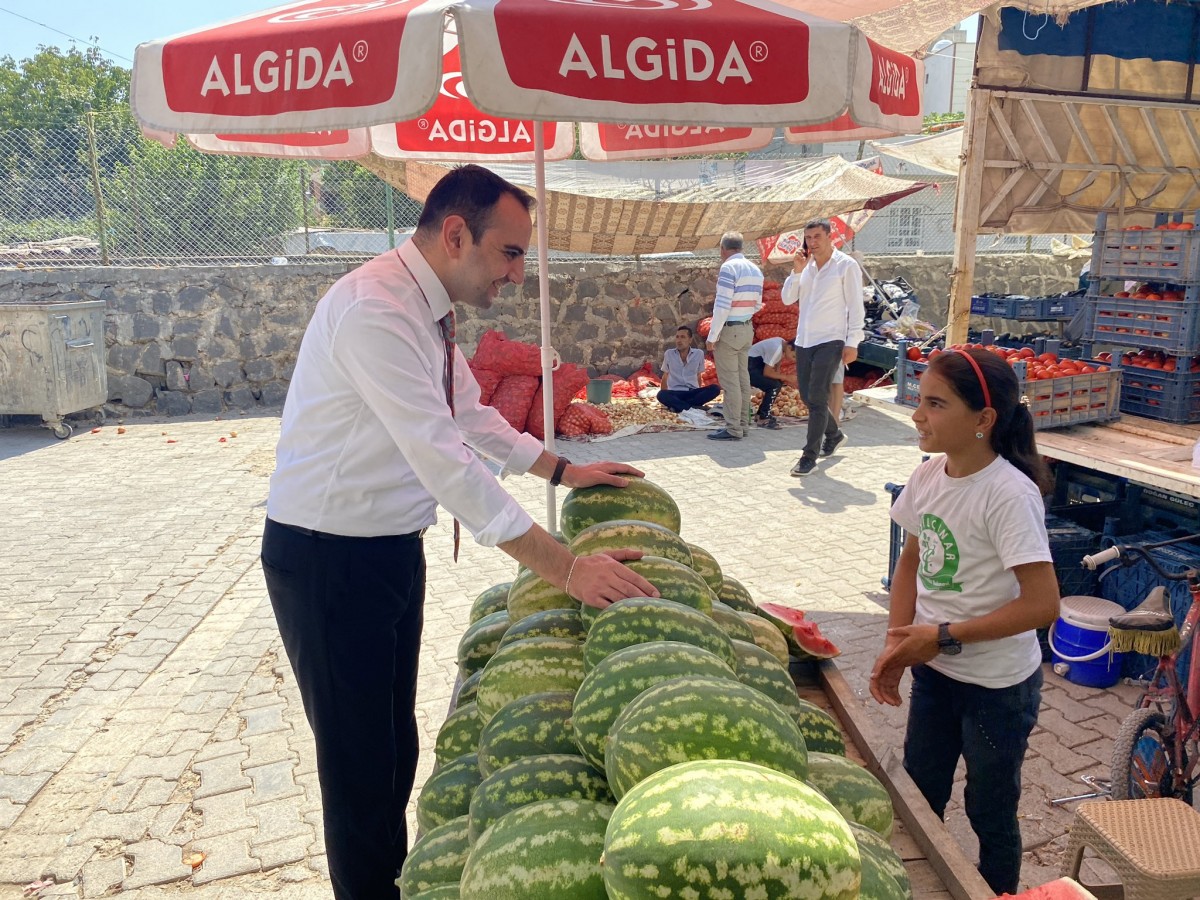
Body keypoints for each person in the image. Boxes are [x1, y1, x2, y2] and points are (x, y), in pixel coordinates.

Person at [260, 164, 658, 900]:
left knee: (390, 748)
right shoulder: (376, 311)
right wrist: (566, 568)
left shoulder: (424, 306)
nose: (517, 272)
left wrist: (561, 472)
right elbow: (445, 462)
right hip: (327, 562)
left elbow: (467, 415)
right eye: (510, 253)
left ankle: (394, 880)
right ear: (454, 234)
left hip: (382, 553)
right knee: (357, 768)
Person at [868, 348, 1060, 896]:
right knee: (919, 794)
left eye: (934, 403)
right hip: (936, 674)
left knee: (990, 810)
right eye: (919, 400)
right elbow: (910, 560)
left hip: (997, 688)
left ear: (983, 420)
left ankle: (997, 891)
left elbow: (1043, 604)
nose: (916, 415)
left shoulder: (1008, 495)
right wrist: (896, 645)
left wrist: (942, 636)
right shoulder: (928, 476)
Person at [782, 220, 865, 476]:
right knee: (809, 397)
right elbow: (788, 298)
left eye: (817, 236)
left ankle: (809, 456)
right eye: (808, 238)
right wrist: (796, 272)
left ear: (830, 237)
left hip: (831, 340)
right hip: (805, 340)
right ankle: (835, 434)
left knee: (818, 397)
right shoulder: (805, 268)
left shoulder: (846, 266)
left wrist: (853, 342)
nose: (812, 242)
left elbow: (856, 306)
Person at [705, 231, 763, 441]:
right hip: (747, 328)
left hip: (730, 330)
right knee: (742, 380)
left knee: (730, 383)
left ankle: (733, 429)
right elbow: (757, 303)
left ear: (723, 249)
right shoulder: (755, 269)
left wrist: (713, 335)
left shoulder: (728, 268)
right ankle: (744, 426)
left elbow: (722, 306)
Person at [656, 325, 721, 413]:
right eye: (677, 337)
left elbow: (699, 375)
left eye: (683, 337)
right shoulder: (669, 354)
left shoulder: (699, 354)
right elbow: (665, 376)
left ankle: (680, 407)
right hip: (675, 393)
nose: (679, 340)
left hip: (692, 392)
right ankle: (693, 408)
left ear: (690, 340)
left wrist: (698, 393)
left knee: (715, 388)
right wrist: (664, 397)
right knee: (661, 395)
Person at [747, 335, 795, 427]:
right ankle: (763, 418)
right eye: (794, 356)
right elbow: (767, 373)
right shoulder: (777, 348)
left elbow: (776, 365)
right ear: (789, 347)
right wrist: (787, 377)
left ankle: (761, 414)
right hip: (749, 367)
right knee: (774, 386)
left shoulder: (781, 343)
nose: (793, 360)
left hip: (755, 366)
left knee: (777, 383)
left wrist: (780, 377)